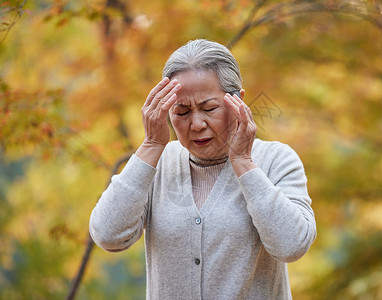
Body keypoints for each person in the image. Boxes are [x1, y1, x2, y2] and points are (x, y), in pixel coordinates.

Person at [89, 39, 316, 300]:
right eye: (182, 112)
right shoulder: (157, 162)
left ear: (238, 102)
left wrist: (243, 162)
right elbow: (108, 235)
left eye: (209, 108)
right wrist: (151, 145)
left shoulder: (277, 159)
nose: (196, 124)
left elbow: (292, 245)